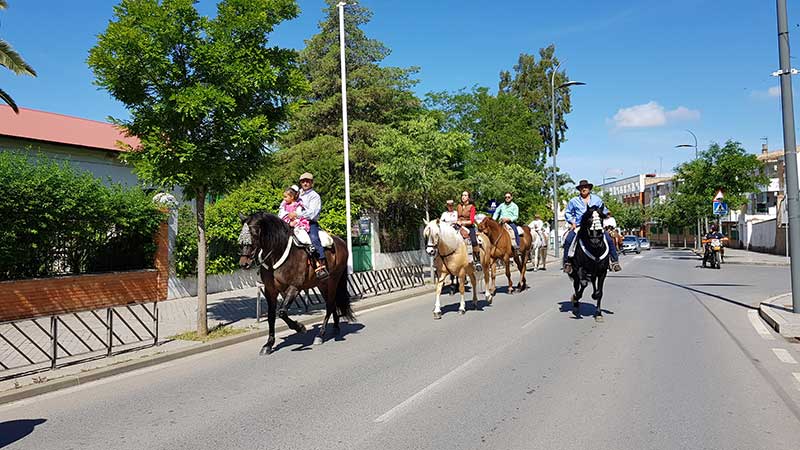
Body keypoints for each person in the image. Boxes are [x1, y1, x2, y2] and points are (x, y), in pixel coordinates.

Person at [562, 179, 621, 273]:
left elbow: (604, 209)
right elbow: (568, 213)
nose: (584, 189)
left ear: (589, 188)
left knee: (609, 239)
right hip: (579, 225)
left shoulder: (597, 199)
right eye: (581, 187)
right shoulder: (574, 201)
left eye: (585, 187)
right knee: (569, 239)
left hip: (596, 225)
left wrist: (606, 213)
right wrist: (572, 222)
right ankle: (567, 263)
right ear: (579, 189)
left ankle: (614, 261)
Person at [289, 172, 327, 279]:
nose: (305, 183)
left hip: (309, 223)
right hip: (294, 222)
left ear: (312, 183)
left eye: (308, 181)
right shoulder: (296, 194)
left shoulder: (315, 196)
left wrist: (297, 214)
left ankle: (321, 263)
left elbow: (313, 213)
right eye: (303, 181)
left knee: (314, 238)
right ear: (300, 183)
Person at [457, 190, 481, 270]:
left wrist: (463, 223)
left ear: (468, 197)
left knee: (474, 241)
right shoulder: (459, 206)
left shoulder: (472, 207)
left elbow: (471, 220)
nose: (463, 197)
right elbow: (457, 216)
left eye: (465, 195)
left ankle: (478, 260)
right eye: (462, 195)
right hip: (459, 226)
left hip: (469, 226)